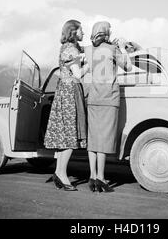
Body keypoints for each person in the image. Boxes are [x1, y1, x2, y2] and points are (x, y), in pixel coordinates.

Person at [84, 21, 132, 192]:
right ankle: (101, 178)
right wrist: (122, 47)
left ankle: (92, 176)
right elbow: (128, 66)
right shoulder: (113, 49)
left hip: (93, 97)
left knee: (93, 137)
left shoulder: (89, 50)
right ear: (106, 33)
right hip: (109, 98)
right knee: (104, 138)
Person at [44, 20, 89, 191]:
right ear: (73, 31)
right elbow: (78, 74)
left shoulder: (70, 47)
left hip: (65, 90)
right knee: (70, 136)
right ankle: (61, 174)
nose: (83, 33)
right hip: (70, 91)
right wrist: (90, 67)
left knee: (66, 137)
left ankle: (59, 172)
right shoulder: (71, 50)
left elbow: (85, 50)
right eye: (81, 30)